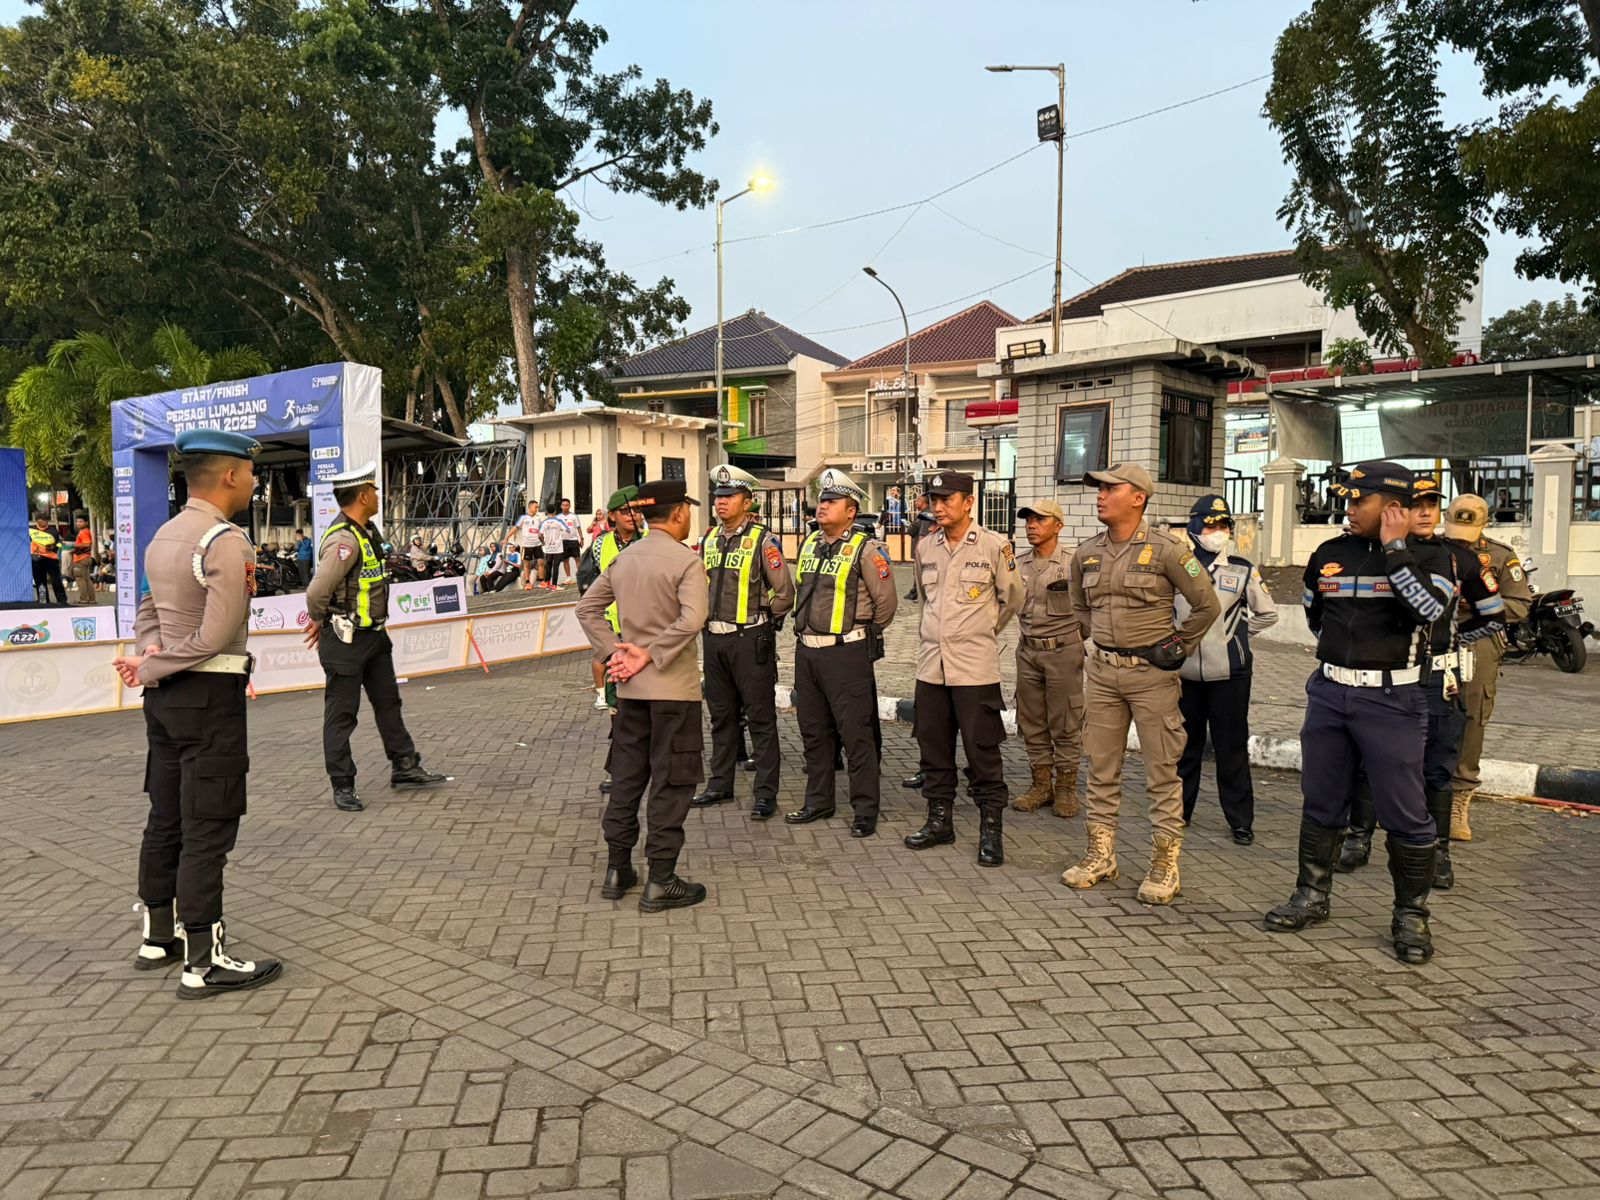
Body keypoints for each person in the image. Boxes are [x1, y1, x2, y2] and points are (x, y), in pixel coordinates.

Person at [111, 428, 281, 999]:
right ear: (230, 475)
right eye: (251, 472)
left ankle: (158, 937)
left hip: (165, 703)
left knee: (166, 817)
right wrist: (152, 665)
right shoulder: (225, 541)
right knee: (208, 824)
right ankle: (204, 963)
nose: (254, 482)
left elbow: (146, 608)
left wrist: (150, 654)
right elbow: (215, 635)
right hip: (209, 696)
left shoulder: (164, 535)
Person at [1263, 461, 1451, 965]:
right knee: (1321, 799)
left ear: (1392, 507)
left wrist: (1395, 549)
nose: (1348, 509)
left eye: (1357, 500)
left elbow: (1428, 612)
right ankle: (1311, 895)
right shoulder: (1330, 552)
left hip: (1393, 700)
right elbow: (1315, 615)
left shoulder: (1431, 555)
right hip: (1330, 693)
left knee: (1405, 812)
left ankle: (1411, 915)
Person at [1062, 463, 1220, 906]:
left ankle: (1165, 863)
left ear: (1138, 497)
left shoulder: (1168, 550)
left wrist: (1178, 646)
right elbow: (1079, 606)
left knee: (1161, 771)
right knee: (1100, 766)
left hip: (1152, 676)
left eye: (1110, 489)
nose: (1100, 495)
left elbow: (1206, 605)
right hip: (1102, 675)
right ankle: (1101, 855)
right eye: (1099, 489)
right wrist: (1100, 641)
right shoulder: (1086, 553)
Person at [1336, 480, 1503, 887]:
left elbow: (1494, 614)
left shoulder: (1457, 558)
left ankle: (1438, 852)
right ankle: (1358, 837)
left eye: (1432, 504)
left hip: (1437, 678)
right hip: (1390, 675)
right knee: (1370, 758)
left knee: (1437, 766)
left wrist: (1454, 640)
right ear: (1398, 511)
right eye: (1417, 505)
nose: (1426, 512)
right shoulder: (1378, 554)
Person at [575, 479, 710, 911]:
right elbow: (693, 619)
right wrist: (650, 654)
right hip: (673, 692)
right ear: (678, 513)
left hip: (630, 694)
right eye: (687, 510)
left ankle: (618, 870)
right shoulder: (686, 561)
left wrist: (615, 653)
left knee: (626, 780)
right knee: (672, 782)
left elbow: (586, 609)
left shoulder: (624, 558)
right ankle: (661, 879)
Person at [304, 462, 449, 813]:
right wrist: (320, 619)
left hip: (374, 637)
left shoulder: (367, 531)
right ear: (363, 496)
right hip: (346, 641)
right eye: (374, 490)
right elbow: (317, 591)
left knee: (388, 703)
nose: (378, 496)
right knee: (342, 714)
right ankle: (343, 784)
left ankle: (405, 766)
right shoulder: (344, 539)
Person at [902, 471, 1024, 865]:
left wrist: (981, 630)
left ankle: (991, 829)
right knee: (933, 748)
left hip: (974, 669)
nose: (937, 507)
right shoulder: (926, 546)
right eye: (934, 500)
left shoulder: (994, 546)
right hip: (931, 668)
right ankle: (940, 821)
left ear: (968, 502)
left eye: (946, 500)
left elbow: (1012, 598)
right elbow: (926, 601)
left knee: (982, 751)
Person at [785, 470, 898, 836]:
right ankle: (819, 801)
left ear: (851, 511)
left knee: (856, 735)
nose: (823, 506)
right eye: (822, 500)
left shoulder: (867, 549)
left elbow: (886, 603)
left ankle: (865, 809)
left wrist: (863, 634)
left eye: (832, 502)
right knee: (814, 732)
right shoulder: (810, 543)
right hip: (807, 653)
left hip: (846, 652)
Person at [691, 465, 796, 819]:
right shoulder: (709, 539)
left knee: (760, 719)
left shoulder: (764, 541)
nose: (721, 502)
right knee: (721, 717)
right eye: (718, 496)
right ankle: (720, 784)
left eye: (729, 496)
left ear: (747, 502)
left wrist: (763, 621)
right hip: (714, 639)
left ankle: (765, 794)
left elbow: (785, 592)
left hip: (749, 639)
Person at [1175, 495, 1278, 845]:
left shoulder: (1242, 568)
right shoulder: (1178, 567)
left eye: (1223, 526)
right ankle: (1179, 813)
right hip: (1186, 674)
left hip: (1231, 675)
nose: (1217, 532)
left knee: (1231, 749)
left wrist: (1237, 635)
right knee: (1185, 747)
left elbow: (1267, 613)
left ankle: (1240, 820)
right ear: (1194, 527)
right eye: (1210, 525)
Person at [1445, 494, 1533, 842]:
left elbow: (1520, 604)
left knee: (1471, 715)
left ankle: (1459, 797)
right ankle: (1412, 793)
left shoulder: (1499, 556)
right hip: (1433, 636)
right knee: (1417, 710)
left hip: (1478, 640)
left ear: (1484, 525)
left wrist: (1479, 603)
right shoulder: (1431, 549)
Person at [1010, 498, 1086, 820]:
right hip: (1028, 652)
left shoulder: (1074, 562)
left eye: (1039, 520)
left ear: (1058, 526)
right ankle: (1042, 785)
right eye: (1028, 520)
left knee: (1065, 721)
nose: (1031, 525)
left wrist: (1072, 641)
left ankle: (1066, 787)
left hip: (1063, 653)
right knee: (1032, 721)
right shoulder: (1018, 564)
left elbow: (1090, 609)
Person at [579, 488, 645, 714]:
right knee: (606, 661)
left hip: (642, 623)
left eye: (637, 510)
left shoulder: (650, 539)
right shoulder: (599, 544)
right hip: (609, 619)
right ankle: (603, 697)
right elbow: (589, 580)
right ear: (612, 516)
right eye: (625, 511)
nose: (632, 515)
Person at [29, 513, 68, 604]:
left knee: (56, 580)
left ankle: (62, 600)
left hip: (51, 559)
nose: (46, 522)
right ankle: (43, 600)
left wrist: (54, 547)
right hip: (36, 559)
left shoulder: (53, 530)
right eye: (44, 520)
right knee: (40, 581)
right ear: (38, 520)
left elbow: (60, 542)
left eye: (47, 520)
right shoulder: (30, 530)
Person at [904, 493, 933, 603]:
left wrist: (918, 550)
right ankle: (915, 592)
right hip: (923, 548)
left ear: (923, 502)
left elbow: (923, 534)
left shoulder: (926, 515)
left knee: (921, 571)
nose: (915, 503)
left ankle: (919, 594)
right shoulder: (923, 514)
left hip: (923, 550)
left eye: (917, 501)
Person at [538, 503, 568, 588]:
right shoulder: (559, 521)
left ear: (547, 512)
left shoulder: (544, 522)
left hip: (548, 547)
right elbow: (568, 530)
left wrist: (543, 543)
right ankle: (554, 585)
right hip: (557, 547)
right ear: (555, 511)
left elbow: (539, 535)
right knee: (556, 566)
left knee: (549, 565)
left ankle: (547, 583)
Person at [69, 514, 96, 605]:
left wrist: (74, 545)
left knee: (80, 579)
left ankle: (83, 598)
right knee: (87, 579)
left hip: (81, 559)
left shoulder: (83, 532)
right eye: (77, 521)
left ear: (86, 522)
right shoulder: (86, 531)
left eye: (81, 521)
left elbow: (87, 544)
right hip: (87, 558)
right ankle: (92, 599)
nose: (78, 523)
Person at [515, 501, 541, 589]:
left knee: (538, 564)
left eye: (538, 507)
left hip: (537, 543)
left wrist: (543, 540)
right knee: (525, 566)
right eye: (535, 507)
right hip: (527, 544)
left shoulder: (538, 518)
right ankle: (527, 584)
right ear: (530, 507)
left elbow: (541, 530)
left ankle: (541, 581)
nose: (537, 509)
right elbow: (515, 528)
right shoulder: (523, 517)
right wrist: (507, 538)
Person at [559, 498, 582, 584]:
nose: (565, 507)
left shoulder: (574, 516)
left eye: (567, 505)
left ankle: (580, 576)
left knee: (577, 559)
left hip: (573, 540)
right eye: (563, 505)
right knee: (565, 560)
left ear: (570, 506)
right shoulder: (558, 517)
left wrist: (581, 538)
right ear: (561, 506)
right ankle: (568, 578)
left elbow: (578, 528)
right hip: (563, 541)